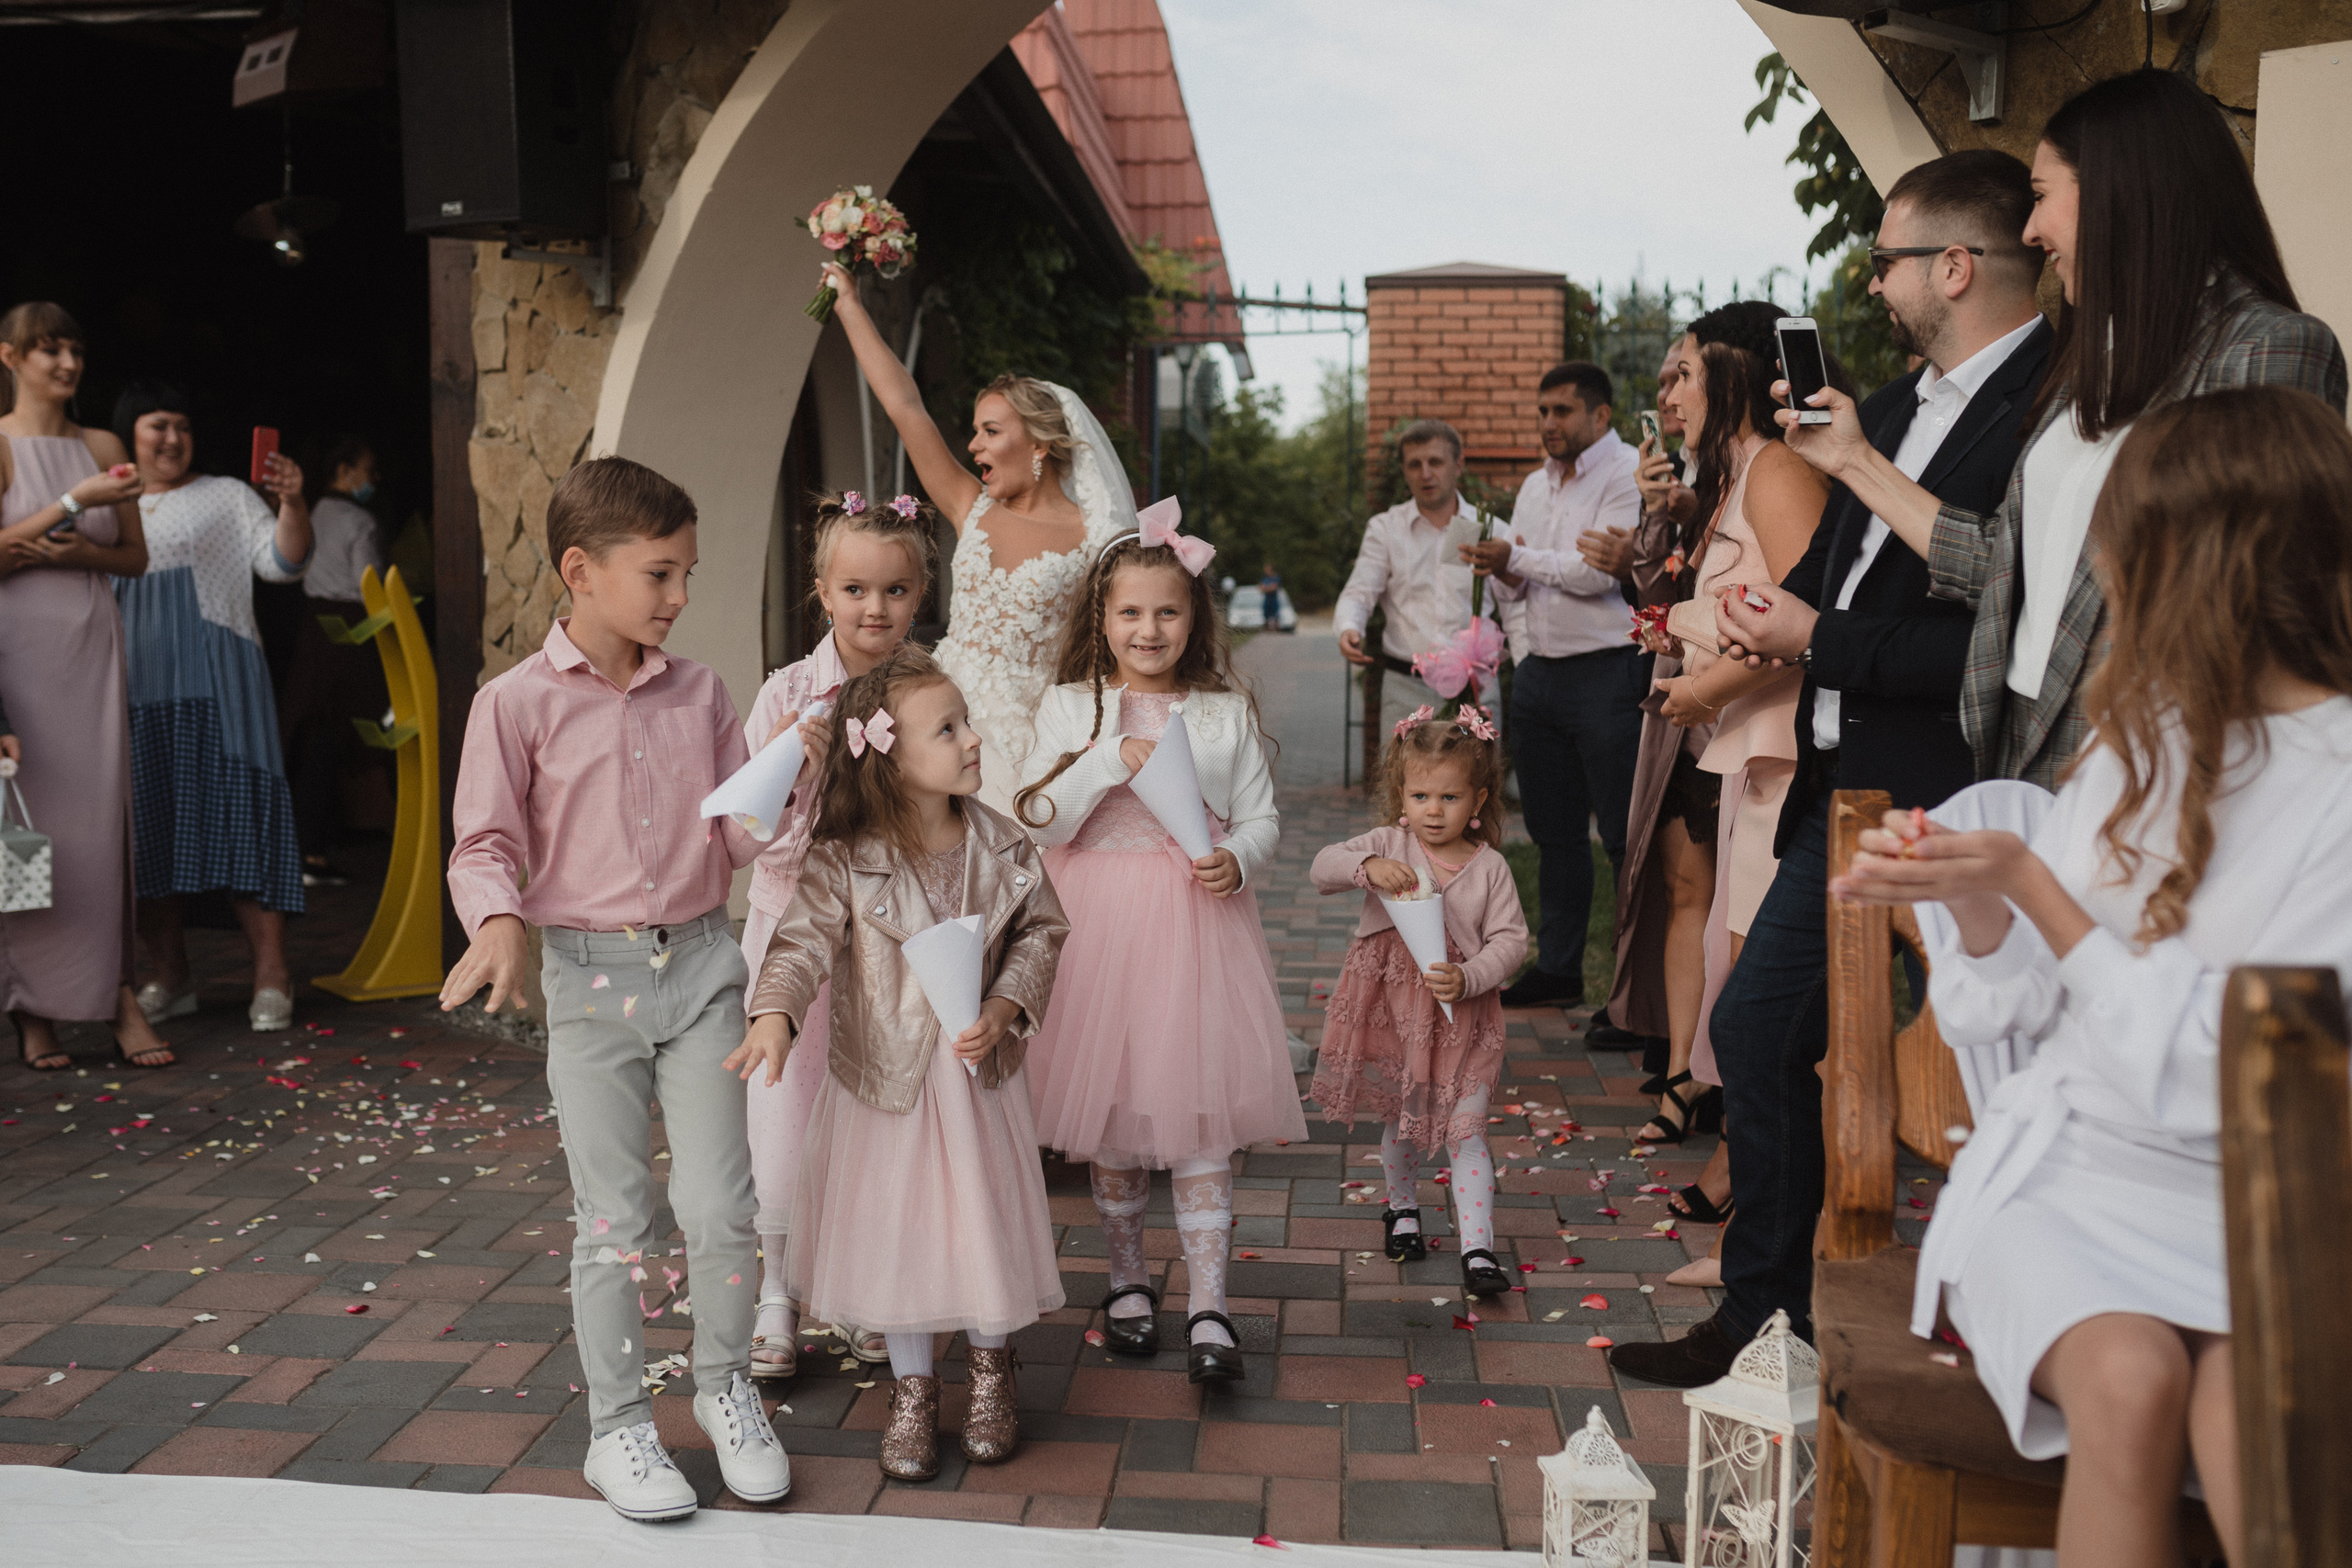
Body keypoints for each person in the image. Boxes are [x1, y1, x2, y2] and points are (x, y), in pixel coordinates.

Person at [1833, 385, 2352, 1566]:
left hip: (2261, 1200)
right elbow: (2011, 1013)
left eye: (2122, 551)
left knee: (2250, 1430)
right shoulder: (2145, 741)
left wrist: (2039, 893)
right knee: (2126, 1379)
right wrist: (1977, 900)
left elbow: (2235, 1072)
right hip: (2068, 1186)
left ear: (2209, 563)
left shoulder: (2338, 784)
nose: (2103, 585)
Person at [1620, 152, 2057, 1386]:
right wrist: (1776, 611)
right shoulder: (1904, 400)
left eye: (1888, 259)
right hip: (1842, 788)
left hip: (1948, 787)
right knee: (1760, 1030)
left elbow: (2002, 634)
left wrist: (1822, 638)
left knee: (1970, 1073)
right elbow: (1850, 565)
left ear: (1955, 267)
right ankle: (1769, 1316)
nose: (1872, 281)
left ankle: (1982, 1332)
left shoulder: (2046, 408)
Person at [1778, 69, 2346, 792]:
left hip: (2144, 771)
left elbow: (2245, 608)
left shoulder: (2267, 348)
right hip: (2022, 756)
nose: (2029, 230)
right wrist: (1855, 460)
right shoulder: (2093, 361)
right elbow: (2007, 564)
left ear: (2120, 191)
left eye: (2043, 197)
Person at [440, 456, 787, 1521]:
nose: (680, 598)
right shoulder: (515, 704)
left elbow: (734, 835)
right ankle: (618, 1429)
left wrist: (784, 790)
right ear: (580, 570)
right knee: (615, 1218)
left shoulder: (703, 691)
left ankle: (727, 1390)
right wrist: (498, 923)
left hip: (701, 968)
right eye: (662, 574)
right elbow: (483, 841)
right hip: (589, 983)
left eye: (687, 574)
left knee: (723, 1208)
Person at [741, 646, 1069, 1483]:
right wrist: (775, 1012)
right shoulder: (846, 856)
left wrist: (1004, 1007)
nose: (971, 741)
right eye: (948, 729)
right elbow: (801, 940)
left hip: (974, 1080)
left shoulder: (1001, 844)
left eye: (967, 723)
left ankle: (992, 1366)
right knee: (904, 1231)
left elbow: (1041, 929)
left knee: (982, 1216)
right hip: (886, 1086)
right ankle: (914, 1383)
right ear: (887, 757)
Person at [1013, 511, 1304, 1382]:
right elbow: (1037, 817)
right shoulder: (1071, 706)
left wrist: (1238, 861)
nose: (1149, 631)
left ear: (1195, 619)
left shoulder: (1220, 712)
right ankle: (1129, 1282)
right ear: (1101, 620)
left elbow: (1261, 817)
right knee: (1116, 1110)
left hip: (1193, 928)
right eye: (1130, 614)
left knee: (1198, 1110)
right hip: (1096, 930)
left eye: (1168, 614)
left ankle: (1212, 1302)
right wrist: (1109, 757)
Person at [1620, 304, 1832, 1154]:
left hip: (1780, 750)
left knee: (1763, 991)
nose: (1674, 393)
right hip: (1745, 750)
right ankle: (1746, 1173)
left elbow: (1807, 619)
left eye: (1689, 373)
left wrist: (1703, 694)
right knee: (1739, 976)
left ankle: (1777, 1192)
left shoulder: (1778, 470)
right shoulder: (1734, 478)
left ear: (1734, 376)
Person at [737, 491, 934, 1378]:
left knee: (876, 1109)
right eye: (855, 589)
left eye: (894, 591)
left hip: (891, 937)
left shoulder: (931, 692)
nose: (874, 609)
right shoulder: (785, 693)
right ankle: (777, 1293)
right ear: (822, 591)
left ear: (919, 594)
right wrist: (790, 769)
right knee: (784, 1108)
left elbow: (951, 818)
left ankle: (863, 1289)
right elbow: (750, 837)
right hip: (790, 928)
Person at [817, 260, 1131, 813]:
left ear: (1038, 444)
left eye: (990, 431)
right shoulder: (973, 508)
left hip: (1036, 743)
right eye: (975, 431)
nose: (974, 447)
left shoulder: (1099, 541)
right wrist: (849, 303)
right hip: (938, 720)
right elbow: (904, 406)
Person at [109, 382, 314, 1035]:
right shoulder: (103, 502)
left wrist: (292, 502)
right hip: (133, 688)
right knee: (146, 835)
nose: (172, 438)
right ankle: (172, 976)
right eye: (157, 425)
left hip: (222, 676)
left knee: (244, 819)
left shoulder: (224, 493)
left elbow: (283, 563)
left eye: (182, 426)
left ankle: (272, 974)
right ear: (128, 434)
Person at [0, 302, 173, 1071]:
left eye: (74, 349)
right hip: (19, 657)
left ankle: (116, 992)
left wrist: (71, 553)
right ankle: (31, 1005)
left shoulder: (103, 444)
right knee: (31, 832)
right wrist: (76, 503)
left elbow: (134, 557)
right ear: (11, 357)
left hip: (93, 651)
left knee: (101, 828)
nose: (66, 364)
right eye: (48, 351)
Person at [1308, 710, 1528, 1298]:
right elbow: (1320, 867)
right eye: (1421, 794)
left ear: (1479, 798)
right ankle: (1402, 1208)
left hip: (1462, 1019)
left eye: (1451, 796)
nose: (1434, 809)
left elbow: (1512, 940)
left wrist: (1473, 974)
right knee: (1400, 1121)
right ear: (1401, 795)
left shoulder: (1490, 869)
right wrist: (1366, 868)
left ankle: (1478, 1249)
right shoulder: (1388, 843)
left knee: (1466, 1130)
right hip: (1394, 1013)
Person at [1463, 362, 1643, 1010]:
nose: (1548, 424)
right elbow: (1524, 577)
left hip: (1608, 673)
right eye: (1542, 412)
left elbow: (1598, 572)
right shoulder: (1536, 487)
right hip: (1540, 673)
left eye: (1562, 412)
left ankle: (1633, 989)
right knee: (1554, 833)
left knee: (1623, 836)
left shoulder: (1627, 474)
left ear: (1600, 415)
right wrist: (1503, 575)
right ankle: (1560, 968)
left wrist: (1519, 560)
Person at [1335, 419, 1500, 733]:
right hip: (1405, 688)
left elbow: (1516, 606)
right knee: (1402, 782)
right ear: (1404, 471)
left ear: (1458, 464)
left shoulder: (1489, 531)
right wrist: (1348, 627)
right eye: (1414, 464)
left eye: (1435, 462)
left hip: (1474, 688)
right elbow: (1359, 591)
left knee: (1477, 780)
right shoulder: (1386, 529)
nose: (1425, 473)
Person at [280, 434, 388, 887]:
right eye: (366, 468)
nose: (373, 479)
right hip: (352, 630)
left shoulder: (313, 514)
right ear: (344, 472)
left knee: (313, 734)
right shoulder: (359, 521)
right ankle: (417, 841)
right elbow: (373, 588)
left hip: (313, 627)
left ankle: (309, 851)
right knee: (377, 730)